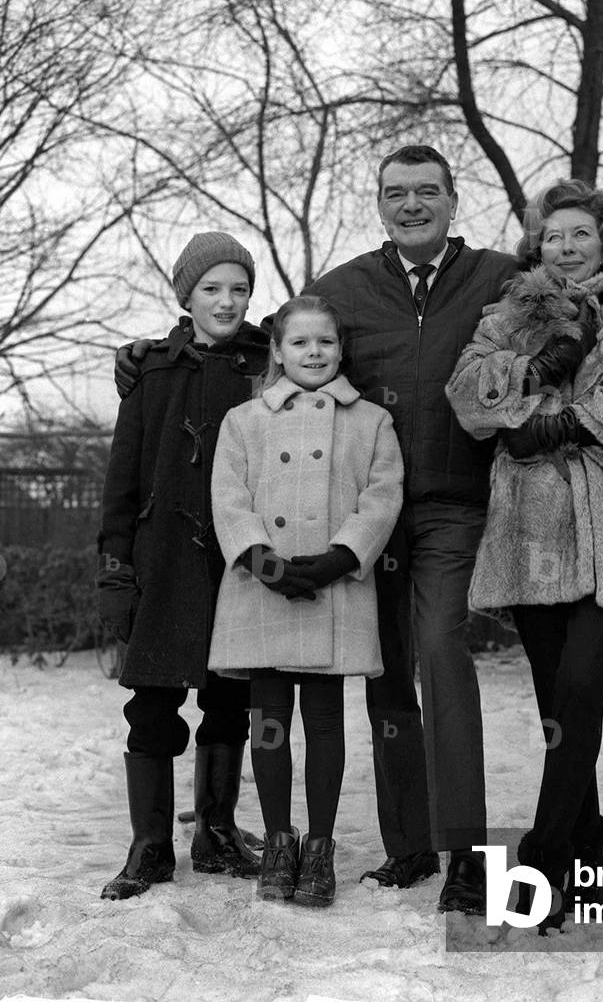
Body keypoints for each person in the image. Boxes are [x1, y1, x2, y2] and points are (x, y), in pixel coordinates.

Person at [114, 145, 603, 915]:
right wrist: (156, 350)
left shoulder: (494, 278)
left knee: (443, 658)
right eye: (395, 193)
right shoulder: (344, 287)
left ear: (453, 199)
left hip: (453, 502)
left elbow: (577, 284)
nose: (410, 204)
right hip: (363, 517)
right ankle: (408, 841)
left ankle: (467, 856)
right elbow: (280, 343)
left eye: (426, 191)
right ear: (379, 203)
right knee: (385, 679)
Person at [445, 178, 603, 931]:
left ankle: (541, 861)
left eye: (581, 234)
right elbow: (469, 395)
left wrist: (556, 427)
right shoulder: (505, 316)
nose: (567, 246)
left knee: (581, 690)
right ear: (537, 244)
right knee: (560, 707)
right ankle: (589, 852)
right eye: (555, 236)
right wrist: (540, 365)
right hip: (534, 538)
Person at [206, 294, 403, 907]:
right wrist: (263, 560)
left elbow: (382, 495)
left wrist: (340, 558)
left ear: (341, 350)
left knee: (323, 723)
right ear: (278, 350)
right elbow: (229, 497)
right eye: (300, 342)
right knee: (267, 724)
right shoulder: (244, 420)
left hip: (335, 587)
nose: (313, 353)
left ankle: (319, 846)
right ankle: (278, 840)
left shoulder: (372, 420)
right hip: (260, 587)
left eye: (325, 342)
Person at [97, 232, 268, 900]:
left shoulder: (267, 364)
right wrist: (116, 570)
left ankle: (217, 831)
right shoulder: (152, 373)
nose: (226, 301)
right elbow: (121, 483)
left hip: (238, 561)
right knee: (153, 708)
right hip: (162, 561)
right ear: (186, 296)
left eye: (238, 288)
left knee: (230, 700)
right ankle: (150, 845)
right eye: (212, 289)